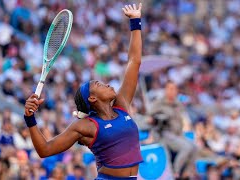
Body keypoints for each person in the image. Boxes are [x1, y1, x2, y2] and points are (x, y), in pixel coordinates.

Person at [24, 3, 143, 179]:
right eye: (99, 84)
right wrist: (30, 118)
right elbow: (45, 150)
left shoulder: (122, 105)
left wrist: (135, 22)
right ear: (92, 98)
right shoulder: (85, 125)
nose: (107, 84)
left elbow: (134, 61)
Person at [149, 80, 196, 178]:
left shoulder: (178, 104)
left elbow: (183, 119)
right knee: (187, 147)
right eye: (170, 88)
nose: (172, 91)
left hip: (178, 134)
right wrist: (153, 119)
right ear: (165, 90)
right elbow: (149, 118)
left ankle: (187, 173)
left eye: (174, 89)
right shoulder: (159, 103)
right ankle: (175, 172)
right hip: (165, 134)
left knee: (194, 147)